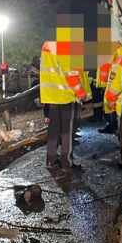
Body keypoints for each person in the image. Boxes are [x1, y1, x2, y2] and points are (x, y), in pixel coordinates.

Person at [39, 40, 87, 172]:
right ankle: (66, 163)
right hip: (65, 96)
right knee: (67, 132)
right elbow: (70, 74)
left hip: (51, 96)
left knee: (53, 131)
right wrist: (81, 93)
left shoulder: (47, 45)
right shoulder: (65, 46)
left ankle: (51, 160)